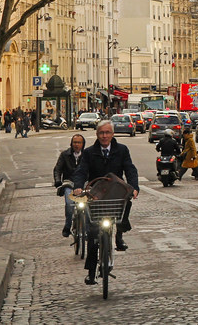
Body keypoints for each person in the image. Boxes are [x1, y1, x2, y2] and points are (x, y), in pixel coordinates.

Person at [72, 120, 139, 285]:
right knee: (94, 233)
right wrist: (78, 187)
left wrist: (134, 187)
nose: (104, 136)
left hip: (116, 191)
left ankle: (119, 234)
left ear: (112, 134)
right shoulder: (88, 152)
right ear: (97, 134)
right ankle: (91, 271)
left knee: (126, 203)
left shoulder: (122, 150)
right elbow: (81, 171)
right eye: (101, 133)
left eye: (108, 132)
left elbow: (130, 169)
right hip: (96, 194)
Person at [53, 134, 86, 236]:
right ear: (71, 144)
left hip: (84, 185)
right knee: (69, 204)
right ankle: (67, 226)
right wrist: (58, 181)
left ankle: (88, 228)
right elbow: (57, 169)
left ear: (83, 144)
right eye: (74, 142)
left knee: (89, 206)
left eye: (79, 142)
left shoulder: (87, 155)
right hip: (69, 184)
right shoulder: (64, 155)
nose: (76, 145)